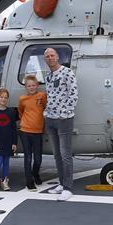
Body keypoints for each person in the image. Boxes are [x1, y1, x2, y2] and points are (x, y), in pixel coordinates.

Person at [43, 47, 77, 201]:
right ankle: (62, 184)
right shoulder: (48, 76)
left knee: (65, 154)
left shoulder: (67, 72)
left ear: (57, 57)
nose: (50, 58)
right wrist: (46, 112)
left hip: (64, 119)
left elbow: (74, 94)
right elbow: (50, 95)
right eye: (47, 56)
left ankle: (68, 188)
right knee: (57, 155)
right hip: (50, 118)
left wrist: (65, 113)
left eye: (52, 55)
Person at [17, 74, 46, 190]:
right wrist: (25, 121)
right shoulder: (22, 99)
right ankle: (29, 181)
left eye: (33, 85)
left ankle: (35, 174)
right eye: (29, 86)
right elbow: (21, 112)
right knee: (28, 157)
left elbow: (45, 107)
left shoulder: (42, 96)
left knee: (38, 158)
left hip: (38, 131)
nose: (31, 87)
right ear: (26, 87)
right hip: (25, 130)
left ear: (37, 85)